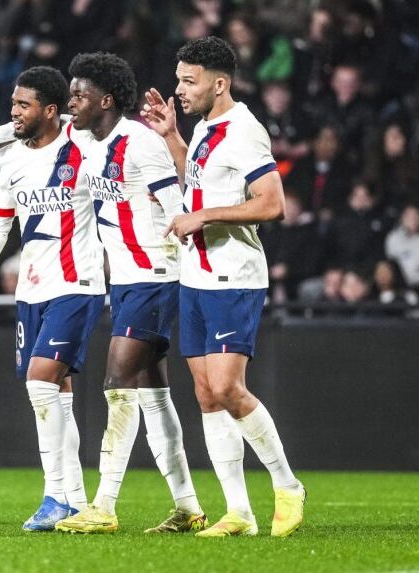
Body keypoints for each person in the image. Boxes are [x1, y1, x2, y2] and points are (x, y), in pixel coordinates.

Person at [0, 53, 206, 535]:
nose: (73, 104)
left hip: (131, 276)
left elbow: (180, 205)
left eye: (77, 96)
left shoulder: (116, 140)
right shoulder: (87, 143)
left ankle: (97, 505)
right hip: (99, 282)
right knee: (153, 395)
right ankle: (184, 505)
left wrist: (193, 259)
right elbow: (1, 217)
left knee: (107, 383)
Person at [140, 36, 305, 537]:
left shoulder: (246, 131)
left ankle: (288, 485)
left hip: (234, 275)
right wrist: (172, 137)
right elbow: (199, 182)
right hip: (195, 275)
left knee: (229, 388)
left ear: (219, 84)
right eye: (178, 79)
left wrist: (204, 216)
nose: (179, 89)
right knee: (207, 395)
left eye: (189, 81)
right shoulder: (206, 128)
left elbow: (272, 203)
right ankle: (239, 513)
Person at [0, 66, 106, 532]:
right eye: (13, 104)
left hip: (77, 284)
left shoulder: (83, 144)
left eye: (24, 105)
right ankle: (76, 501)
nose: (15, 112)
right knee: (56, 395)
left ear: (52, 110)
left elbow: (109, 127)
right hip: (32, 289)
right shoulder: (9, 161)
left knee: (40, 384)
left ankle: (54, 496)